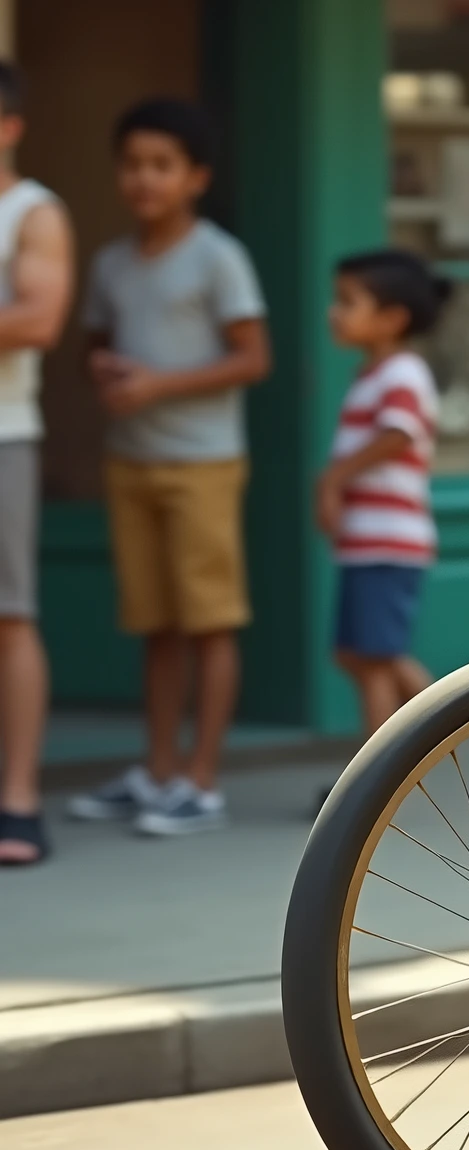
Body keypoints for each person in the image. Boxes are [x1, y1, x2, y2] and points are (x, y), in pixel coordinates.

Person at [67, 99, 270, 835]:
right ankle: (157, 772)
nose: (143, 179)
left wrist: (156, 384)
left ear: (196, 177)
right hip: (133, 461)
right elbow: (96, 340)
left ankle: (202, 781)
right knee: (156, 626)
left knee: (209, 624)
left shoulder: (218, 255)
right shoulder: (110, 262)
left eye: (162, 165)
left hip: (203, 464)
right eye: (132, 164)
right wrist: (110, 372)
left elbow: (253, 357)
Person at [319, 249, 445, 738]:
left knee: (373, 660)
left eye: (348, 301)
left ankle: (371, 781)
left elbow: (400, 431)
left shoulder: (401, 374)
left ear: (392, 319)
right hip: (366, 542)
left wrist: (333, 479)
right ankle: (446, 715)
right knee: (355, 653)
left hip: (389, 541)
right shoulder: (371, 376)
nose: (335, 311)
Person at [0, 62, 74, 867]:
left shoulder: (33, 213)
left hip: (4, 434)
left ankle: (17, 801)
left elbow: (37, 318)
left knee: (9, 618)